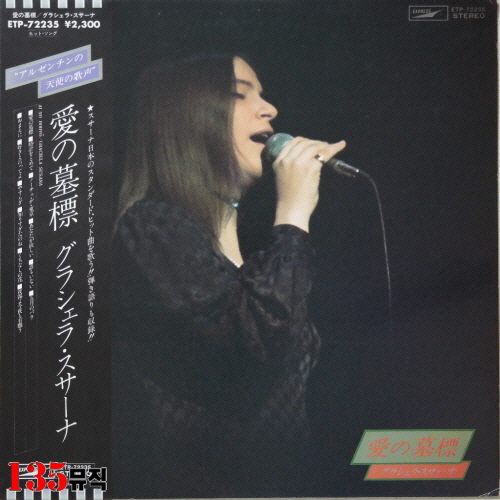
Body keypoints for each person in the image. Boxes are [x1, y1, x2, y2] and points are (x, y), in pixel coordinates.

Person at [112, 54, 346, 498]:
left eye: (263, 95)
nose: (270, 109)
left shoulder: (257, 253)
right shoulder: (151, 225)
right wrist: (293, 211)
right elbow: (254, 336)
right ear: (187, 116)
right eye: (241, 95)